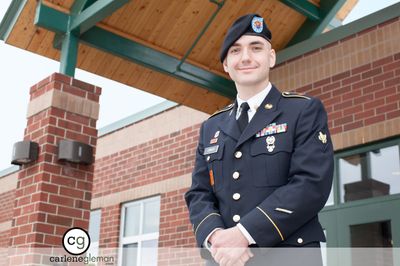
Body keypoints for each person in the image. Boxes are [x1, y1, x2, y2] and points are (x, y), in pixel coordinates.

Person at [185, 13, 334, 266]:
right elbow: (199, 193)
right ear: (225, 65)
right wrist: (216, 236)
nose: (245, 57)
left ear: (271, 57)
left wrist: (243, 234)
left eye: (256, 48)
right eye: (235, 51)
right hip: (225, 260)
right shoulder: (211, 126)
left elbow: (311, 183)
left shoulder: (303, 110)